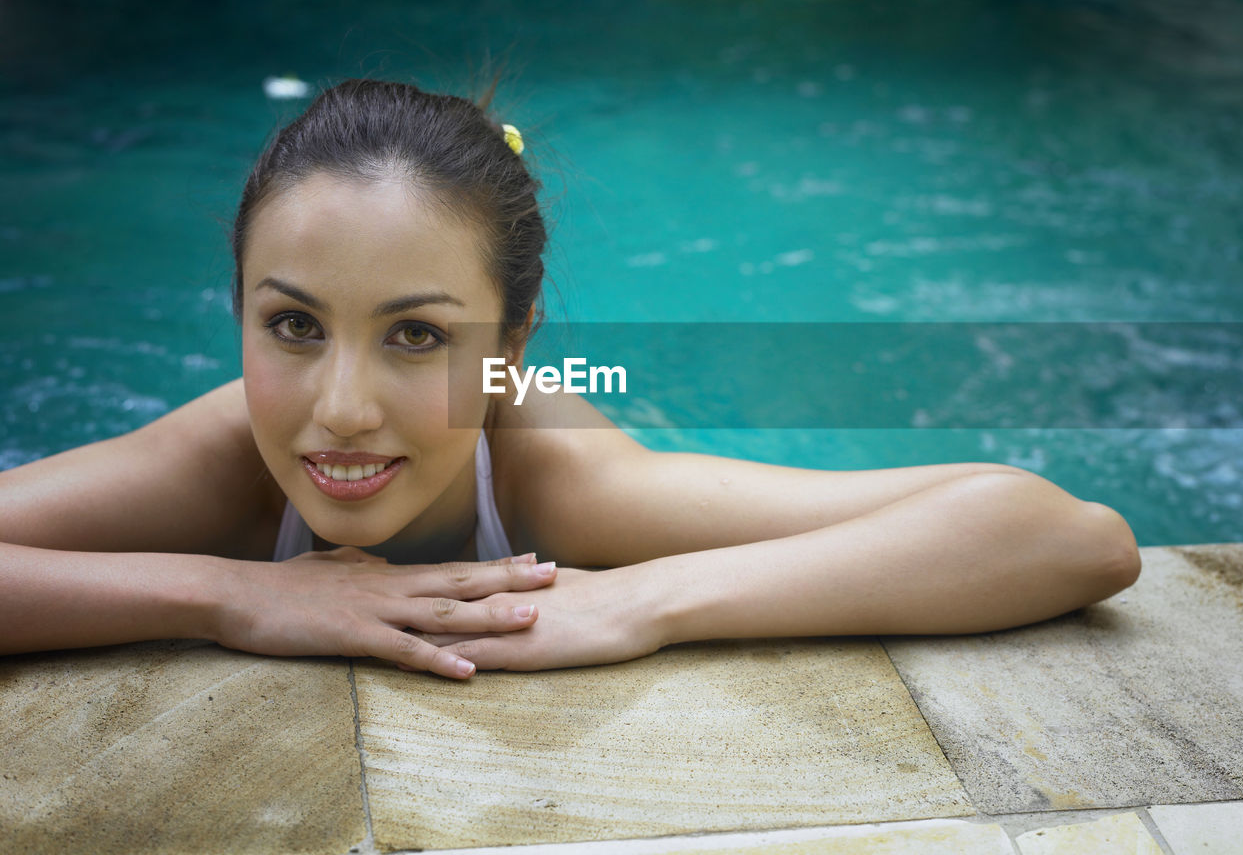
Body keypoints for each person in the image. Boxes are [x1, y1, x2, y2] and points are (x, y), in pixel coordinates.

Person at [0, 79, 1141, 680]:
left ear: (509, 342)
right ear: (237, 309)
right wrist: (229, 595)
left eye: (415, 337)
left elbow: (1067, 535)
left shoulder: (563, 482)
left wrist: (636, 602)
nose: (337, 409)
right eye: (293, 324)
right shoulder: (218, 463)